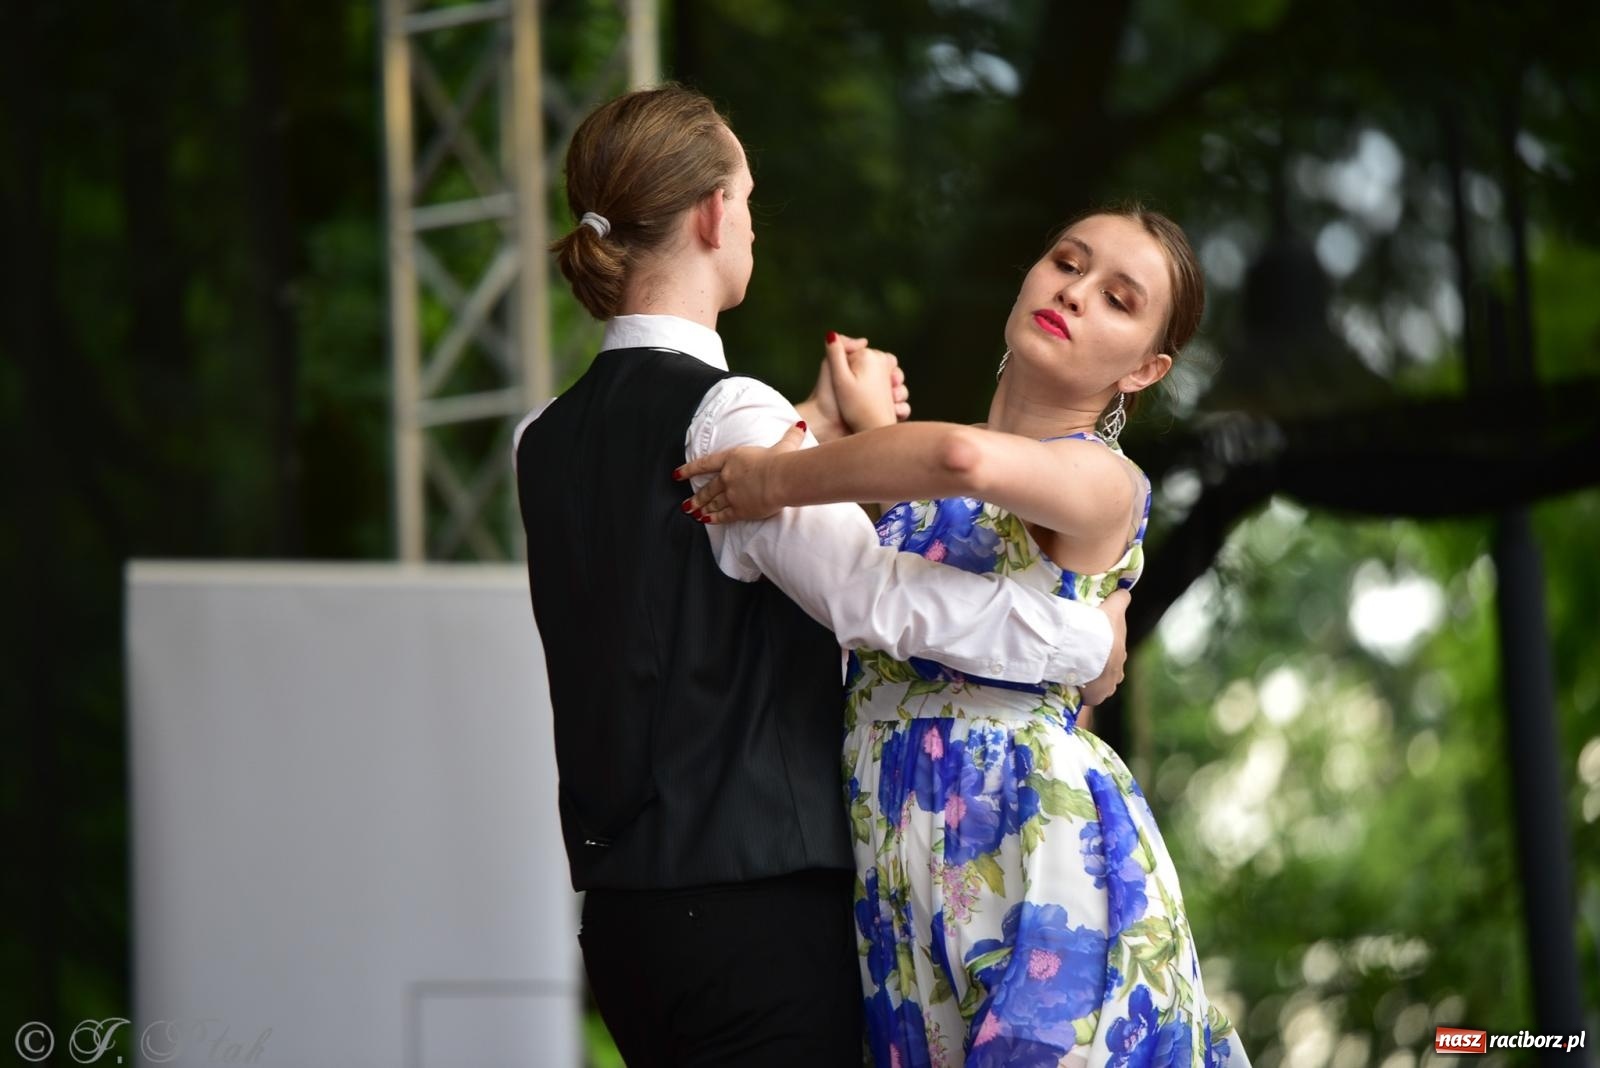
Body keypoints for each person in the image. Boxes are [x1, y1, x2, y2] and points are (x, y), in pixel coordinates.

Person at [513, 85, 1134, 1067]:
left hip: (623, 933)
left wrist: (806, 426)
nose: (752, 222)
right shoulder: (729, 414)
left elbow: (687, 585)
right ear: (715, 213)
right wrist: (1081, 637)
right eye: (750, 199)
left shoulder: (540, 439)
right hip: (752, 922)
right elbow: (871, 596)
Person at [679, 207, 1252, 1066]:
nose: (1075, 292)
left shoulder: (1105, 481)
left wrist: (771, 479)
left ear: (1145, 369)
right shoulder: (920, 483)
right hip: (896, 846)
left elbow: (963, 465)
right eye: (1066, 261)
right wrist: (864, 429)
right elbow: (927, 544)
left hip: (1032, 850)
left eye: (1119, 298)